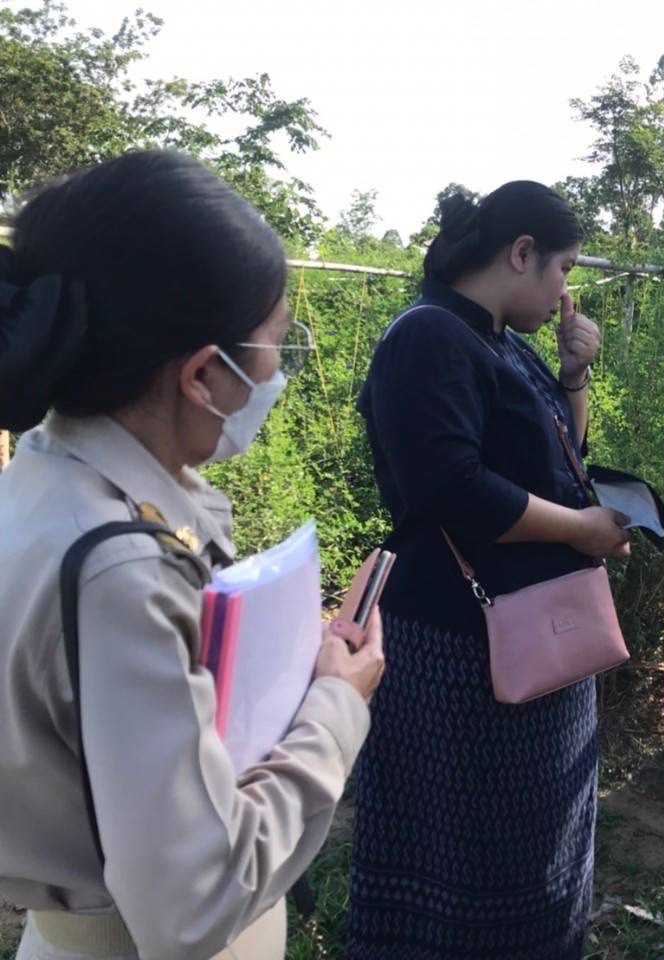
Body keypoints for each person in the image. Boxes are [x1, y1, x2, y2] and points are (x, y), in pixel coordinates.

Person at [0, 150, 385, 960]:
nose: (279, 371)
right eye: (278, 344)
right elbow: (195, 901)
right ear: (206, 374)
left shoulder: (44, 473)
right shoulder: (123, 568)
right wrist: (336, 706)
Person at [348, 181, 627, 959]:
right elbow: (451, 487)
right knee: (461, 845)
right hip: (458, 642)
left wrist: (573, 378)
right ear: (521, 253)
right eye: (563, 267)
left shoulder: (497, 337)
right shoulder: (429, 337)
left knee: (533, 841)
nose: (565, 291)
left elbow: (554, 458)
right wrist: (582, 531)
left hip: (525, 625)